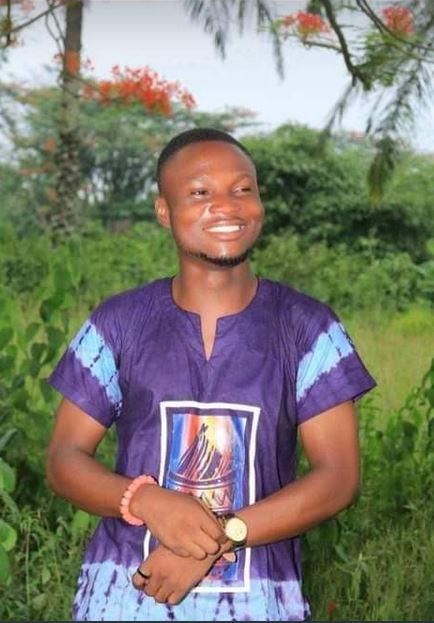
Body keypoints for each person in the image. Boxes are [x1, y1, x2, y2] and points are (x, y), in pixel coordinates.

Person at [46, 127, 376, 622]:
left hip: (259, 603)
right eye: (200, 192)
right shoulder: (117, 323)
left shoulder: (309, 328)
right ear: (164, 211)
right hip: (123, 597)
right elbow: (64, 460)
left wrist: (219, 537)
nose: (226, 206)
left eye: (242, 189)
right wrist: (147, 501)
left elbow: (338, 477)